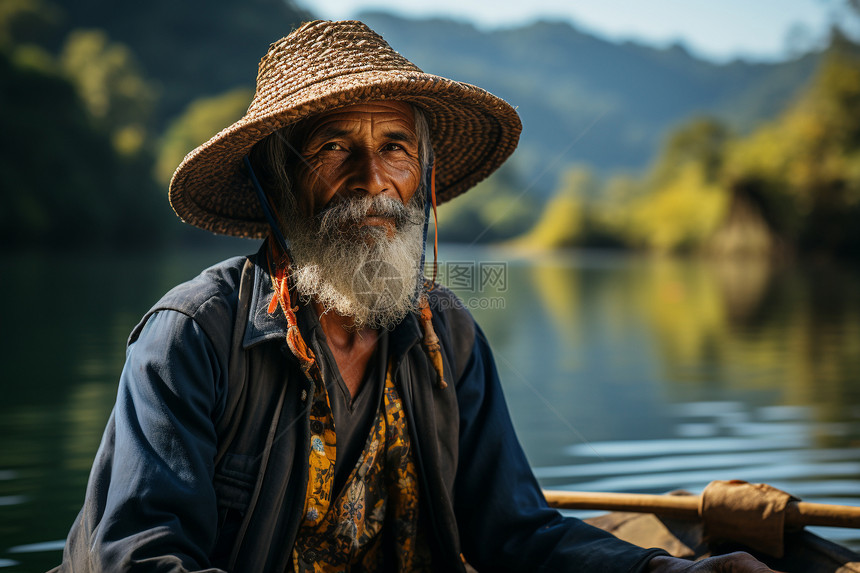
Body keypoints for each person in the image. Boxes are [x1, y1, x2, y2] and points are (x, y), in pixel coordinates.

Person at [56, 20, 774, 573]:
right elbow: (140, 556)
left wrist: (659, 567)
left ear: (422, 179)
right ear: (277, 185)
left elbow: (514, 531)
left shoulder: (447, 335)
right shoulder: (192, 337)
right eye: (336, 146)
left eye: (395, 146)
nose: (373, 179)